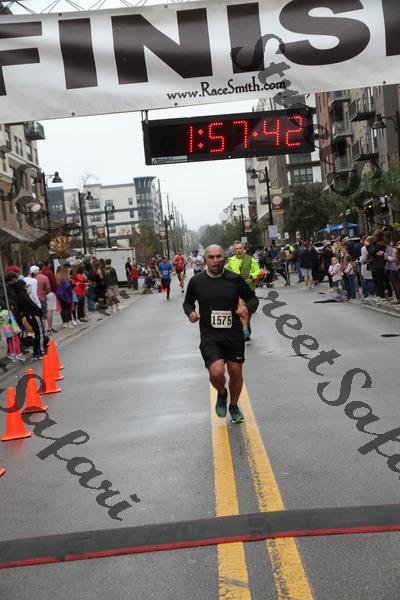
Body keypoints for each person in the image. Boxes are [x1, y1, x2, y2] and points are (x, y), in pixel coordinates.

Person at [183, 244, 259, 424]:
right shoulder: (196, 282)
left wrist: (247, 309)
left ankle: (234, 406)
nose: (216, 260)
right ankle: (222, 393)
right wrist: (190, 312)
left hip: (233, 334)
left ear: (224, 258)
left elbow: (253, 299)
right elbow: (187, 303)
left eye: (219, 257)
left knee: (235, 371)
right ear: (205, 260)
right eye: (211, 257)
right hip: (210, 335)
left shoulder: (235, 279)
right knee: (216, 372)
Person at [225, 241, 260, 341]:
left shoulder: (250, 259)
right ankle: (245, 331)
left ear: (243, 249)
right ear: (234, 250)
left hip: (249, 289)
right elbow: (224, 272)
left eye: (240, 248)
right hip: (236, 289)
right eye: (236, 249)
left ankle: (246, 326)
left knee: (247, 312)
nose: (238, 250)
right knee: (241, 308)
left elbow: (257, 270)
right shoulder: (230, 261)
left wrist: (251, 276)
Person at [41, 259, 58, 332]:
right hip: (50, 292)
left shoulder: (40, 273)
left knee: (43, 311)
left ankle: (43, 328)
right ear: (49, 264)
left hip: (41, 294)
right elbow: (54, 283)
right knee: (49, 310)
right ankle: (50, 327)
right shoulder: (49, 272)